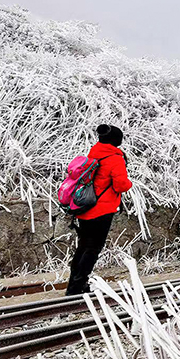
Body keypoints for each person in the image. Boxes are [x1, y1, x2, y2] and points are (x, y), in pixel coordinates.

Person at [66, 124, 133, 296]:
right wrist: (129, 183)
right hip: (102, 210)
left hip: (86, 208)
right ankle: (77, 288)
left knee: (83, 247)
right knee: (93, 248)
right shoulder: (115, 158)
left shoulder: (94, 153)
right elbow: (121, 185)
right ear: (116, 141)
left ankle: (75, 284)